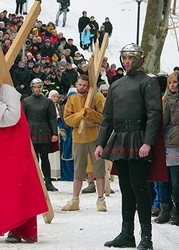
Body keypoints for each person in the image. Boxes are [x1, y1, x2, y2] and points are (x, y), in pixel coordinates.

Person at [0, 66, 48, 243]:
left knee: (15, 185)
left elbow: (13, 117)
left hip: (13, 143)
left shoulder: (8, 91)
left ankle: (16, 228)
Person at [94, 44, 162, 249]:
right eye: (124, 58)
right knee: (126, 188)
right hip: (120, 138)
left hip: (139, 139)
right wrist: (100, 143)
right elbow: (108, 118)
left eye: (131, 58)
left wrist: (147, 142)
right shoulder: (116, 85)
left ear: (139, 59)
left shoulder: (149, 83)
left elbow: (154, 114)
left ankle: (146, 238)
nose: (127, 62)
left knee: (139, 188)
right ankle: (127, 234)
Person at [62, 74, 106, 212]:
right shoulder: (72, 99)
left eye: (84, 85)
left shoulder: (97, 97)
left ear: (89, 86)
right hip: (78, 136)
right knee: (78, 169)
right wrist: (80, 114)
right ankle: (75, 199)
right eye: (79, 84)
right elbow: (67, 119)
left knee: (99, 168)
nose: (81, 87)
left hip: (94, 135)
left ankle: (101, 199)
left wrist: (90, 113)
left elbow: (103, 118)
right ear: (76, 84)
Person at [22, 78, 59, 191]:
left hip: (44, 130)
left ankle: (48, 181)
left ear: (41, 88)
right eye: (35, 87)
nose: (37, 89)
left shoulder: (47, 102)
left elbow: (52, 118)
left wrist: (54, 133)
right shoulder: (26, 101)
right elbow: (23, 119)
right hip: (30, 131)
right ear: (32, 88)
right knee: (33, 159)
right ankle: (33, 182)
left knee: (45, 158)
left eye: (38, 87)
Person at [163, 72, 179, 226]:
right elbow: (163, 122)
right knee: (174, 182)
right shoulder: (167, 102)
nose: (173, 85)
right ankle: (174, 211)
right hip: (173, 145)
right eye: (171, 82)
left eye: (176, 82)